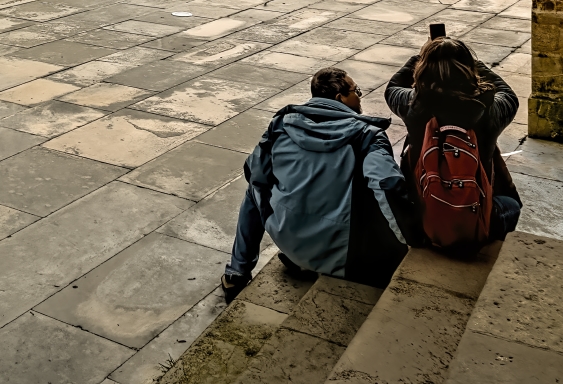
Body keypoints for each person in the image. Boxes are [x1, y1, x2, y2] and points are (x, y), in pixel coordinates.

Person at [223, 68, 411, 301]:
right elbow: (389, 187)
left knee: (255, 189)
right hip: (344, 256)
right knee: (376, 190)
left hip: (291, 244)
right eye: (356, 91)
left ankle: (236, 272)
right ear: (339, 97)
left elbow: (253, 172)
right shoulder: (367, 136)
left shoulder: (281, 125)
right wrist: (411, 242)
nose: (359, 97)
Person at [386, 37, 521, 252]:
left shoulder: (413, 104)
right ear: (468, 69)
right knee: (512, 205)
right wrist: (474, 65)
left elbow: (392, 88)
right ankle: (480, 233)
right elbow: (509, 95)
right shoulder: (489, 110)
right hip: (478, 209)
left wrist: (423, 56)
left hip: (425, 208)